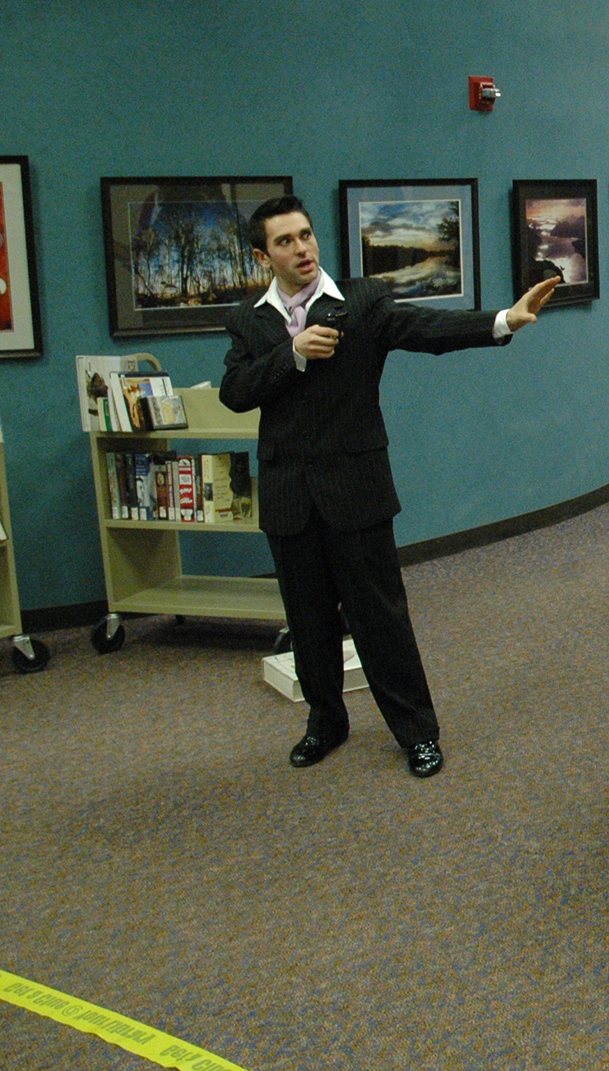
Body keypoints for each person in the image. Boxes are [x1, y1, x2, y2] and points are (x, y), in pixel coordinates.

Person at [221, 195, 558, 778]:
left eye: (306, 235)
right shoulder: (249, 320)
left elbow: (424, 328)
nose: (301, 248)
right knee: (308, 620)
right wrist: (291, 354)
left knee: (380, 619)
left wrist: (502, 320)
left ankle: (417, 732)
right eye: (285, 241)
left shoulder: (361, 302)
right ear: (261, 256)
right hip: (288, 495)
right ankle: (325, 723)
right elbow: (235, 392)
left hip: (356, 488)